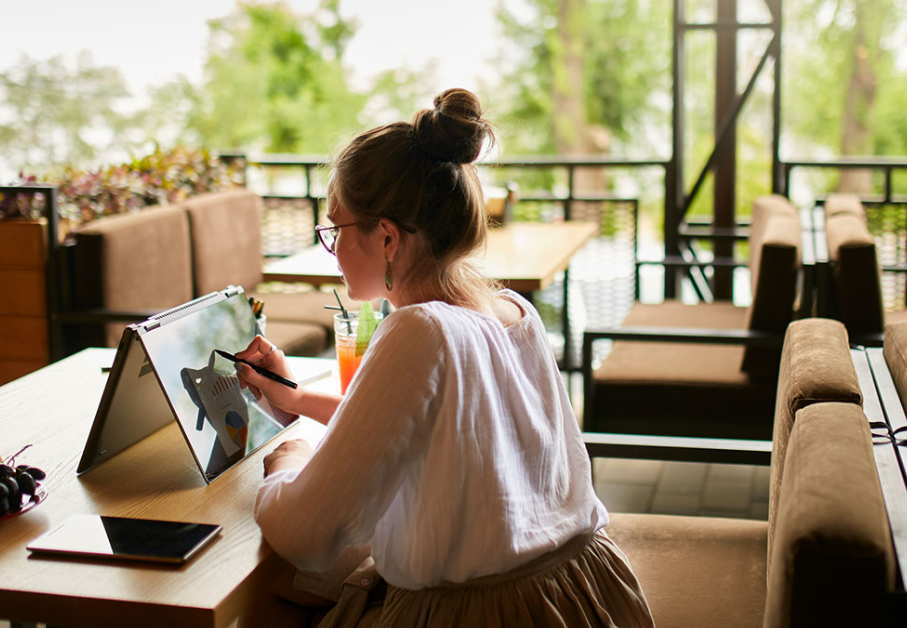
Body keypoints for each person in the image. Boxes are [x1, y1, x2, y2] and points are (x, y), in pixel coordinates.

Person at [235, 88, 654, 628]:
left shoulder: (419, 328)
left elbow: (305, 534)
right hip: (584, 592)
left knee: (274, 593)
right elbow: (425, 428)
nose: (330, 248)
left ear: (387, 238)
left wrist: (285, 460)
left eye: (335, 230)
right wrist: (292, 398)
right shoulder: (511, 311)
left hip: (490, 613)